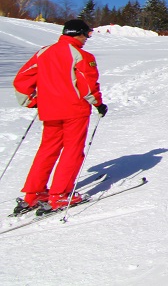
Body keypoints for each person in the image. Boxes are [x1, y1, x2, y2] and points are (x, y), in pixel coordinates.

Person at [11, 19, 107, 215]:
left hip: (49, 111)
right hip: (74, 111)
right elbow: (87, 86)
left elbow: (22, 80)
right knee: (73, 150)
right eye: (87, 34)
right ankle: (59, 195)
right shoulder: (81, 55)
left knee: (48, 149)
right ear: (78, 34)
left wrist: (33, 101)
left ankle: (33, 194)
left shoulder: (44, 52)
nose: (88, 38)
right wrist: (98, 104)